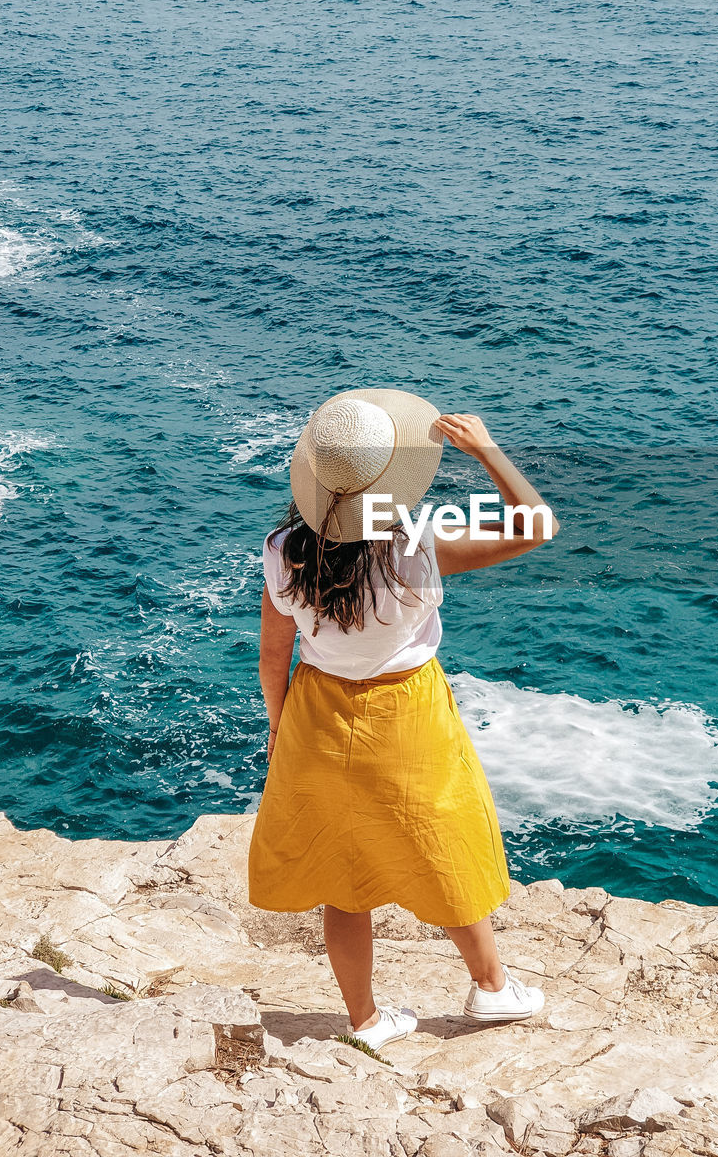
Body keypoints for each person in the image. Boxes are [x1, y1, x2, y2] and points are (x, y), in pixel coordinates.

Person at [247, 388, 559, 1051]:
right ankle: (493, 989)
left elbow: (276, 653)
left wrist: (279, 727)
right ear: (386, 485)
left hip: (317, 713)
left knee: (343, 874)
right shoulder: (416, 549)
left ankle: (363, 1021)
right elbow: (536, 526)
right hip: (407, 711)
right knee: (443, 845)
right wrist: (487, 451)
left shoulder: (282, 550)